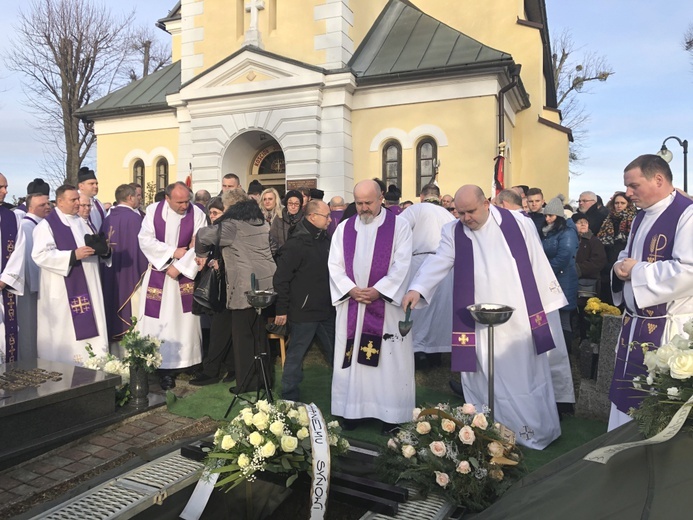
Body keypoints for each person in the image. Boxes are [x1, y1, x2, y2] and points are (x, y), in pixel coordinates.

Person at [403, 185, 564, 449]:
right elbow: (438, 262)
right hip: (475, 319)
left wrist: (546, 301)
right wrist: (417, 288)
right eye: (460, 212)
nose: (466, 218)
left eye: (471, 211)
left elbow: (537, 260)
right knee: (480, 373)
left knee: (521, 375)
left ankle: (529, 432)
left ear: (487, 203)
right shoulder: (453, 231)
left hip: (518, 316)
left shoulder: (519, 223)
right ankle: (485, 430)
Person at [608, 154, 693, 431]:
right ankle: (620, 452)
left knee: (657, 405)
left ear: (658, 179)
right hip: (635, 324)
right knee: (626, 400)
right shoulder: (641, 215)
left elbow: (688, 271)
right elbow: (631, 253)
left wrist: (637, 271)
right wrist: (620, 265)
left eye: (634, 186)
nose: (628, 193)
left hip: (667, 329)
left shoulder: (687, 214)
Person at [329, 179, 414, 433]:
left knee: (388, 362)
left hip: (385, 308)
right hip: (353, 304)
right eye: (359, 203)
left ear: (381, 200)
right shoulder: (344, 228)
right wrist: (350, 289)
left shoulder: (399, 226)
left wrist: (380, 290)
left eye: (368, 202)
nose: (363, 208)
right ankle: (352, 410)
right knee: (352, 358)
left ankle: (391, 415)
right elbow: (334, 265)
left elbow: (403, 264)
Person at [196, 189, 276, 393]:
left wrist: (201, 253)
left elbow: (203, 235)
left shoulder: (231, 225)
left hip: (245, 286)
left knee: (243, 337)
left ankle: (247, 383)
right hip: (266, 283)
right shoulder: (261, 221)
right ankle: (263, 379)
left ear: (229, 207)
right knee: (259, 335)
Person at [137, 182, 207, 390]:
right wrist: (172, 253)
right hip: (159, 274)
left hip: (184, 275)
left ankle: (189, 361)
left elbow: (201, 244)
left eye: (187, 201)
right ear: (167, 199)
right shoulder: (153, 211)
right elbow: (145, 240)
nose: (185, 206)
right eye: (180, 202)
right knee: (162, 320)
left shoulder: (197, 213)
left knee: (186, 321)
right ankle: (163, 367)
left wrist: (179, 267)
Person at [33, 184, 111, 365]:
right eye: (73, 200)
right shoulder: (47, 225)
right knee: (66, 331)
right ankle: (65, 369)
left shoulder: (83, 221)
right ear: (59, 201)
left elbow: (92, 247)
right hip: (62, 289)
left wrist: (104, 251)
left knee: (94, 324)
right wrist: (73, 255)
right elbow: (40, 255)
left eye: (78, 199)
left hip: (90, 285)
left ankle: (96, 364)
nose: (78, 203)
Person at [273, 199, 335, 401]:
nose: (330, 220)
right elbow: (281, 278)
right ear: (312, 216)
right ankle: (289, 396)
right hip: (303, 310)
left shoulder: (326, 239)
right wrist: (281, 309)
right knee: (296, 354)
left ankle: (344, 393)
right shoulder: (296, 243)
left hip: (326, 308)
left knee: (336, 350)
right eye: (326, 216)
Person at [399, 183, 455, 368]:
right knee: (440, 309)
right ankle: (436, 351)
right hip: (446, 265)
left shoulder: (415, 209)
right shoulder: (448, 214)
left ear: (422, 196)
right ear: (438, 197)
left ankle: (417, 351)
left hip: (419, 262)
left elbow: (398, 231)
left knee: (418, 309)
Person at [190, 196, 235, 386]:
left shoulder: (228, 230)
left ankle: (213, 371)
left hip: (228, 287)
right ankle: (229, 367)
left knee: (221, 331)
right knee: (223, 330)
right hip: (219, 287)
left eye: (216, 213)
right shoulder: (215, 231)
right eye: (211, 213)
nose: (212, 216)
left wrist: (220, 263)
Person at [101, 184, 148, 347]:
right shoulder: (136, 219)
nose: (138, 199)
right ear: (130, 198)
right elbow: (145, 248)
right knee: (134, 312)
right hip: (132, 275)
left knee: (112, 304)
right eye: (136, 196)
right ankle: (135, 356)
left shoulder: (107, 219)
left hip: (111, 274)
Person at [541, 196, 579, 351]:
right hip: (553, 276)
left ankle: (566, 353)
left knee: (563, 317)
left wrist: (545, 270)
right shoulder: (550, 232)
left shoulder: (567, 233)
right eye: (546, 215)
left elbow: (564, 256)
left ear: (559, 216)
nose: (547, 219)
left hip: (563, 278)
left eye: (551, 215)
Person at [17, 192, 51, 360]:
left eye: (48, 204)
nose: (47, 207)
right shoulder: (27, 226)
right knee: (29, 328)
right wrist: (39, 289)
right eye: (41, 205)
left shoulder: (42, 224)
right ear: (30, 208)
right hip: (30, 288)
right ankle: (28, 364)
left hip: (39, 285)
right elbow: (30, 260)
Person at [0, 173, 25, 364]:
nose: (5, 192)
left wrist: (5, 279)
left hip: (3, 288)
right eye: (1, 187)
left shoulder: (11, 218)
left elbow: (19, 249)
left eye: (6, 187)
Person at [596, 191, 637, 305]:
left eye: (622, 203)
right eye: (616, 203)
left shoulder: (634, 219)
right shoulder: (608, 219)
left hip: (624, 263)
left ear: (628, 204)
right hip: (607, 263)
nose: (619, 206)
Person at [574, 215, 607, 341]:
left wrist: (578, 269)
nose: (583, 224)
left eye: (585, 222)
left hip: (588, 285)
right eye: (579, 222)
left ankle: (585, 343)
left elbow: (598, 261)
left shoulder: (594, 241)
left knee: (586, 317)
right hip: (571, 283)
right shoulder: (571, 239)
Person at [77, 166, 106, 231]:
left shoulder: (98, 203)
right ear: (81, 186)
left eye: (96, 184)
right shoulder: (76, 201)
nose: (95, 186)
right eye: (91, 184)